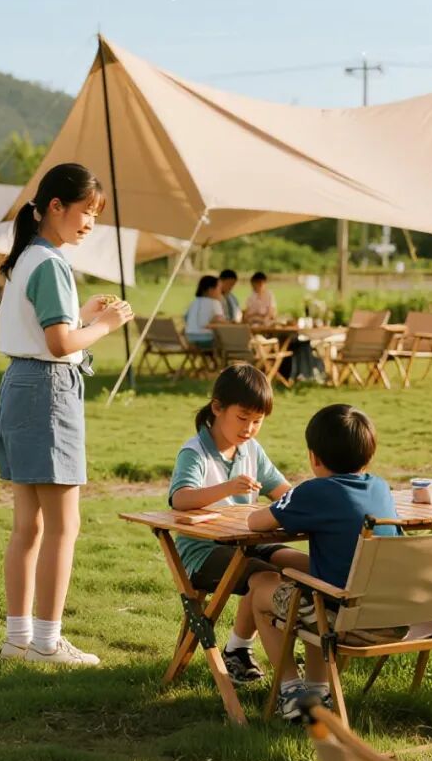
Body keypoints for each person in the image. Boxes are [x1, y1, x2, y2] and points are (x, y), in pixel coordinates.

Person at [0, 162, 134, 666]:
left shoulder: (29, 257)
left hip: (20, 386)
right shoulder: (51, 264)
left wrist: (84, 316)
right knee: (62, 527)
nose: (90, 223)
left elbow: (45, 333)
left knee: (27, 526)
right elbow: (58, 345)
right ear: (55, 206)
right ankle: (48, 644)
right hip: (47, 391)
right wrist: (105, 324)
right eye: (86, 212)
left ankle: (18, 639)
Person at [246, 404, 399, 720]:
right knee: (314, 586)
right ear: (368, 456)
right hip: (393, 617)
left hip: (345, 622)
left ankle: (291, 694)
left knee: (260, 586)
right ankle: (320, 690)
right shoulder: (381, 487)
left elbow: (255, 523)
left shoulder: (313, 491)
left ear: (314, 457)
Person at [169, 366, 309, 683]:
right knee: (265, 576)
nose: (249, 428)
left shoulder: (251, 450)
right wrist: (228, 488)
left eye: (257, 421)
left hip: (247, 540)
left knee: (305, 566)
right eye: (242, 418)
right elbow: (180, 498)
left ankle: (243, 649)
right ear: (218, 408)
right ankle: (249, 654)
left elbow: (282, 490)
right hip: (203, 550)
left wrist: (315, 500)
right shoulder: (195, 451)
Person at [184, 275, 225, 346]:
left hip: (189, 339)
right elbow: (221, 321)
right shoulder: (215, 303)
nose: (221, 292)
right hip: (206, 339)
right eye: (219, 289)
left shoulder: (194, 302)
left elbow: (186, 318)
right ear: (211, 290)